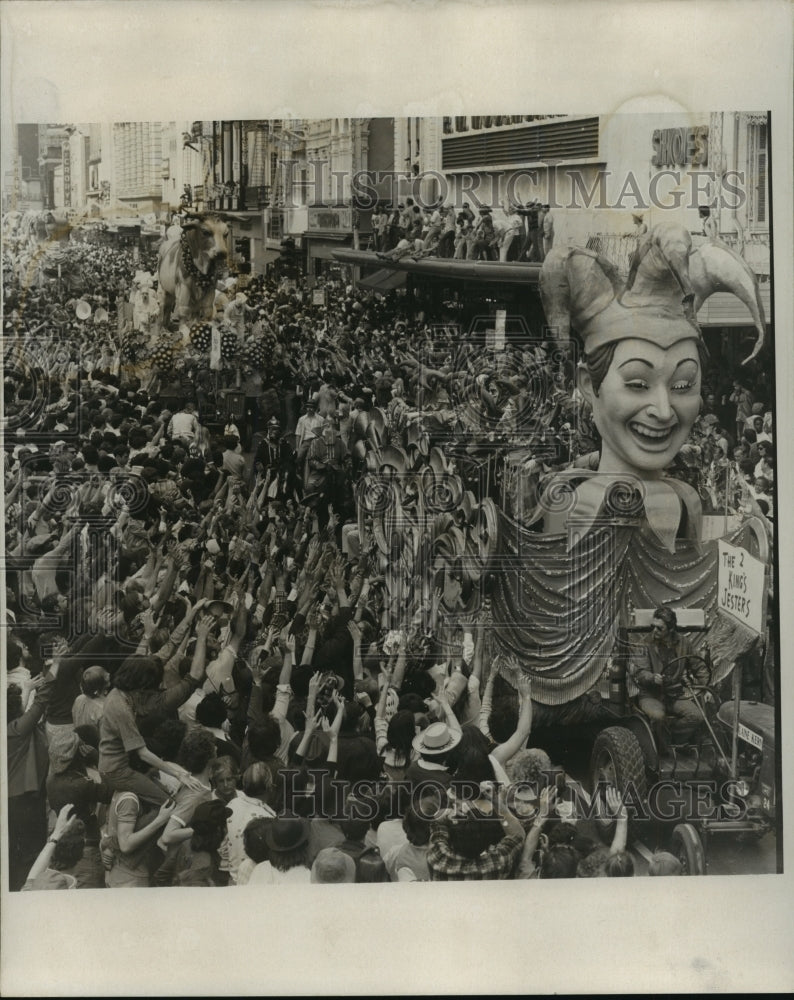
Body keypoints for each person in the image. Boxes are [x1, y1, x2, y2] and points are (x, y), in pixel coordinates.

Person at [629, 607, 711, 751]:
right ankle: (663, 748)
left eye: (659, 628)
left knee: (697, 716)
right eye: (652, 626)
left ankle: (671, 740)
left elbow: (699, 667)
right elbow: (640, 672)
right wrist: (653, 678)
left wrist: (708, 687)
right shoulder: (644, 644)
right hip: (650, 695)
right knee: (659, 716)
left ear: (671, 629)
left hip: (674, 695)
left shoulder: (684, 643)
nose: (654, 631)